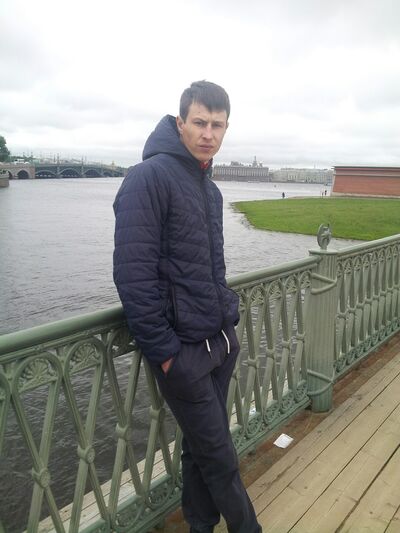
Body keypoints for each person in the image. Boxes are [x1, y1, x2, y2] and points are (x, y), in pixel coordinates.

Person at [113, 80, 261, 533]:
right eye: (199, 122)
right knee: (220, 455)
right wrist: (166, 354)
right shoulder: (148, 178)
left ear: (226, 128)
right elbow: (133, 276)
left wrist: (228, 324)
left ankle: (200, 525)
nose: (208, 134)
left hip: (219, 343)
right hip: (184, 354)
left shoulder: (208, 188)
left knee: (200, 449)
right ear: (180, 123)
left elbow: (212, 267)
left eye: (217, 125)